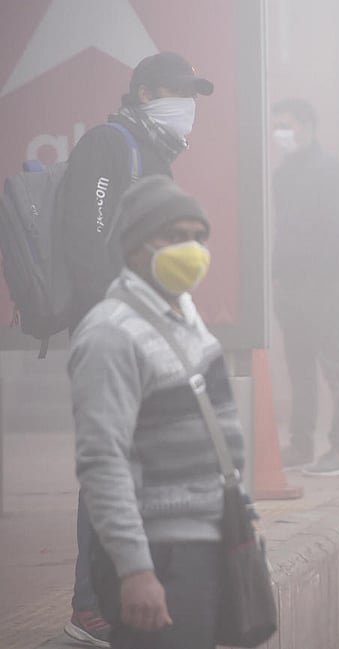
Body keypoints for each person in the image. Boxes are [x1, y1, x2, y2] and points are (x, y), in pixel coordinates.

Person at [60, 51, 214, 648]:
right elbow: (88, 238)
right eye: (180, 93)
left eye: (195, 97)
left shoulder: (154, 154)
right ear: (145, 93)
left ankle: (122, 587)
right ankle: (88, 604)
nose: (189, 108)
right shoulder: (110, 144)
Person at [70, 175, 246, 649]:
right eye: (174, 236)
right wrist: (135, 570)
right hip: (160, 557)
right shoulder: (110, 334)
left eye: (197, 236)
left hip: (208, 547)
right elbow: (102, 462)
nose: (191, 249)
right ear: (135, 247)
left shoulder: (190, 321)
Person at [271, 98, 339, 474]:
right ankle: (301, 444)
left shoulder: (332, 172)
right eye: (277, 127)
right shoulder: (283, 173)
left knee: (334, 366)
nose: (281, 134)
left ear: (308, 126)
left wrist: (329, 275)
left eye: (287, 126)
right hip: (290, 284)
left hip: (324, 283)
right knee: (298, 365)